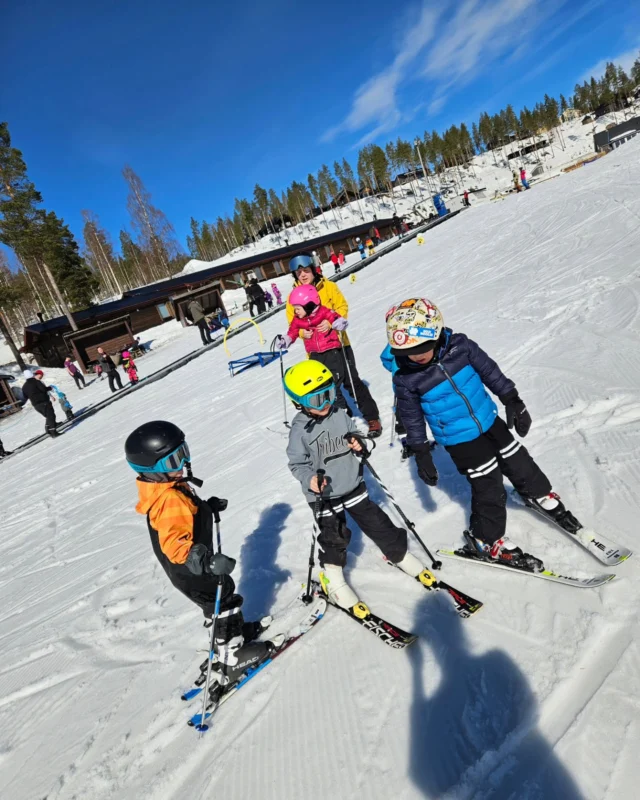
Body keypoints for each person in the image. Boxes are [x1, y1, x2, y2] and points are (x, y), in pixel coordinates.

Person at [387, 297, 580, 570]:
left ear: (437, 334)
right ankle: (485, 539)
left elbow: (489, 371)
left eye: (423, 347)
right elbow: (412, 418)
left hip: (488, 418)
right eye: (408, 351)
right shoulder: (406, 379)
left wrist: (512, 399)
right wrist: (420, 452)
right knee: (488, 484)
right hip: (459, 439)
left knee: (518, 460)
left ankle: (538, 493)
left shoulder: (461, 347)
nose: (416, 355)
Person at [125, 420, 279, 683]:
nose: (183, 462)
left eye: (183, 452)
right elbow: (174, 545)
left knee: (221, 599)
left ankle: (234, 634)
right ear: (152, 469)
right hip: (193, 570)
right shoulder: (169, 498)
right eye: (174, 460)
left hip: (192, 570)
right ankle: (233, 655)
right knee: (222, 600)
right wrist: (206, 561)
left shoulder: (169, 487)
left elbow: (186, 515)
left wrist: (206, 508)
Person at [284, 360, 434, 610]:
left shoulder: (340, 414)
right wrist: (309, 478)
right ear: (299, 403)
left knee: (378, 522)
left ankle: (397, 553)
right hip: (324, 495)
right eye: (316, 400)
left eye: (329, 394)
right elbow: (296, 464)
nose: (325, 403)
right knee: (334, 536)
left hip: (352, 483)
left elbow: (358, 437)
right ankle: (331, 575)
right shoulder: (300, 431)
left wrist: (359, 445)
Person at [285, 252, 382, 437]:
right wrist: (300, 332)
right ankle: (342, 422)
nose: (303, 275)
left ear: (313, 270)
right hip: (315, 351)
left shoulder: (328, 287)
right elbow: (292, 323)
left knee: (351, 380)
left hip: (339, 345)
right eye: (299, 273)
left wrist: (331, 322)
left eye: (306, 271)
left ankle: (372, 418)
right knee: (328, 388)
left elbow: (342, 307)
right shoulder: (293, 297)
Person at [277, 285, 350, 414]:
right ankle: (326, 409)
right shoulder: (298, 320)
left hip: (331, 350)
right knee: (320, 384)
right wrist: (287, 339)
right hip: (315, 355)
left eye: (298, 308)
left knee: (333, 381)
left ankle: (341, 410)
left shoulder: (323, 312)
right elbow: (292, 331)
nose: (296, 312)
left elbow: (334, 316)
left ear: (308, 304)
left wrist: (337, 323)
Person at [22, 369, 60, 436]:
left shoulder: (24, 386)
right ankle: (53, 432)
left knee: (48, 416)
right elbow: (43, 389)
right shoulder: (36, 382)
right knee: (51, 416)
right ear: (31, 375)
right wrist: (50, 388)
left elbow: (25, 397)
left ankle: (48, 429)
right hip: (44, 401)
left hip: (36, 405)